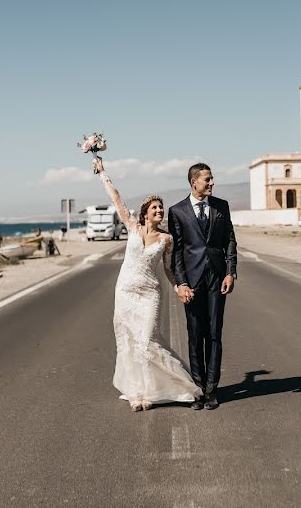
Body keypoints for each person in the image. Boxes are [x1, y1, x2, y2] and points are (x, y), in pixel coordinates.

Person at [93, 157, 200, 411]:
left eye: (161, 209)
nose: (159, 211)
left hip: (150, 293)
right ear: (145, 213)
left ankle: (180, 385)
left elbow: (168, 268)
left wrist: (178, 287)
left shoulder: (166, 239)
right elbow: (117, 199)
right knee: (130, 343)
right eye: (154, 208)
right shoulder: (132, 227)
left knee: (148, 341)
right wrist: (102, 173)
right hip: (126, 291)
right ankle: (139, 393)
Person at [168, 163, 238, 410]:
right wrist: (181, 283)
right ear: (193, 182)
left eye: (212, 179)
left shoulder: (222, 206)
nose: (212, 183)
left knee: (215, 333)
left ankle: (212, 389)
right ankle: (197, 388)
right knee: (195, 334)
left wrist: (230, 272)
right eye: (207, 179)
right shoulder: (177, 211)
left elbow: (229, 240)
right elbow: (176, 252)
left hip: (217, 278)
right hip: (193, 281)